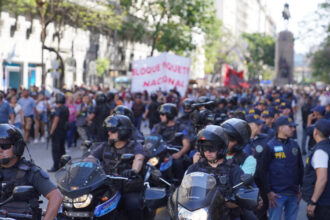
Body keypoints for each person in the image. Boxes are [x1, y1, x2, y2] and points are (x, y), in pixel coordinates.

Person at [0, 124, 63, 220]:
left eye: (4, 145)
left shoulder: (31, 172)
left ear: (18, 147)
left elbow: (56, 197)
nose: (0, 150)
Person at [89, 115, 145, 220]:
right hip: (106, 185)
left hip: (127, 186)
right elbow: (91, 158)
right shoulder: (105, 146)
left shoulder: (135, 146)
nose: (109, 133)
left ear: (123, 131)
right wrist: (83, 167)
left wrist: (133, 171)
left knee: (133, 204)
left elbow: (139, 159)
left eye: (112, 130)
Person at [187, 125, 245, 220]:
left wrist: (229, 201)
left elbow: (242, 196)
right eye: (204, 148)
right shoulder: (195, 167)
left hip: (226, 216)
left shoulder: (234, 169)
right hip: (198, 215)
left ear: (222, 148)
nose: (208, 152)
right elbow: (183, 191)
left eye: (212, 148)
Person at [259, 116, 304, 220]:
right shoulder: (270, 146)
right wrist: (268, 191)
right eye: (290, 126)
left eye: (294, 127)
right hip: (276, 195)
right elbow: (263, 170)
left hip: (293, 193)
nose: (293, 129)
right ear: (280, 128)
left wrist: (301, 188)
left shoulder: (295, 145)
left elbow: (300, 167)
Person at [152, 103, 191, 179]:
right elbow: (151, 139)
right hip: (160, 153)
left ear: (169, 115)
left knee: (178, 163)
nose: (160, 116)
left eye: (162, 114)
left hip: (174, 153)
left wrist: (179, 154)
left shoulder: (181, 127)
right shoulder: (158, 127)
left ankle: (179, 183)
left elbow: (187, 145)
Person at [302, 118, 330, 220]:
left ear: (315, 132)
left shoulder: (320, 152)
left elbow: (322, 179)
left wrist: (313, 201)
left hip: (323, 203)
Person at [48, 93, 69, 172]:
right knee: (62, 148)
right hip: (63, 130)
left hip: (57, 131)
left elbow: (55, 121)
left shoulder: (58, 109)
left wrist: (51, 131)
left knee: (56, 149)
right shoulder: (66, 108)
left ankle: (56, 166)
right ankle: (63, 164)